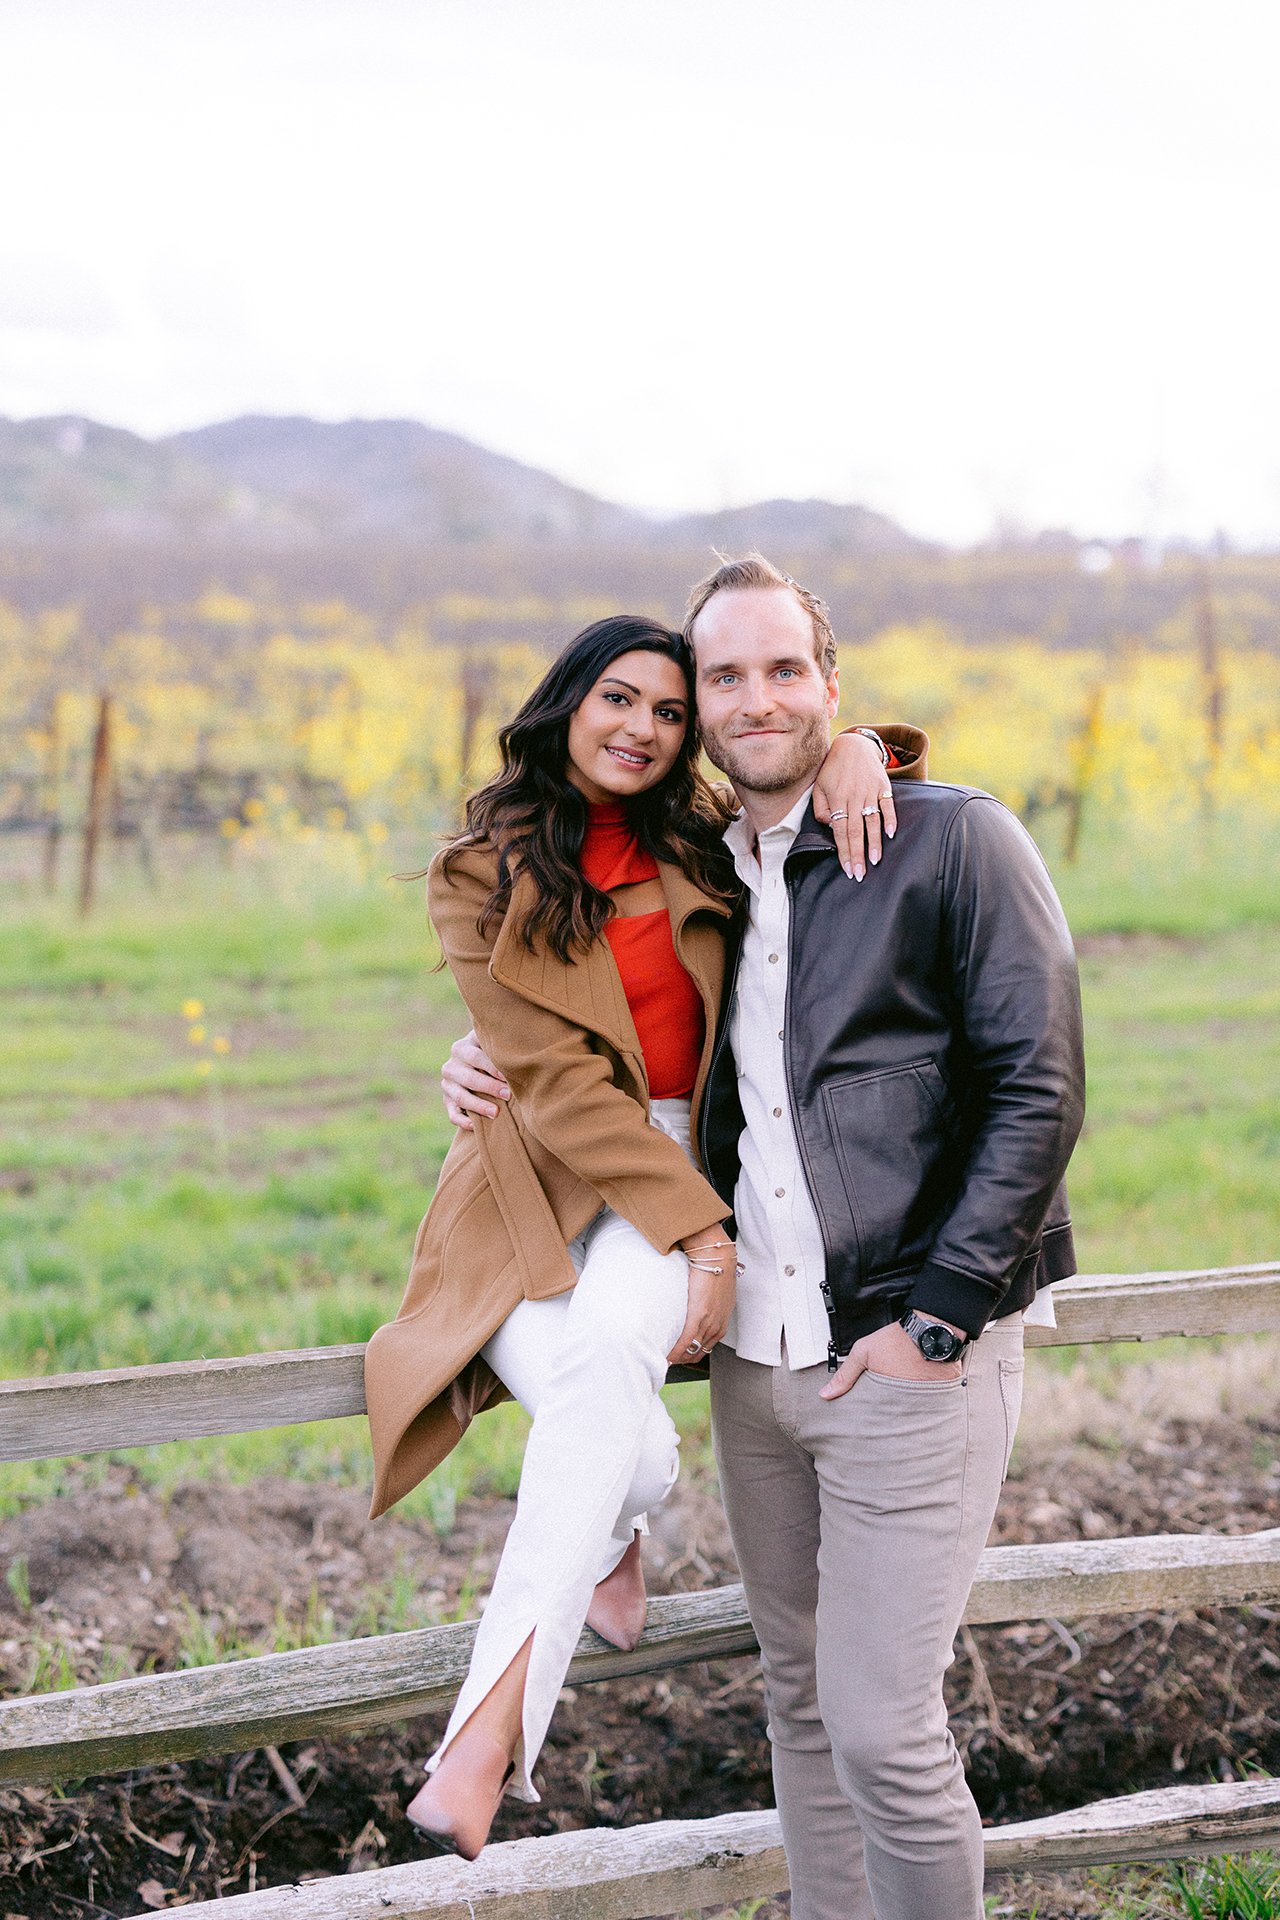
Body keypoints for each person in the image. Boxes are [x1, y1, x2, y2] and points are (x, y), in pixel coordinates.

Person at [442, 556, 1086, 1920]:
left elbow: (1041, 1091)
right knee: (796, 1706)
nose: (754, 698)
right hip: (756, 1364)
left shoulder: (953, 839)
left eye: (785, 669)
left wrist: (937, 1326)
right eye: (721, 676)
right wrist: (480, 1053)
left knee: (883, 1731)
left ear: (831, 686)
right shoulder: (705, 865)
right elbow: (628, 1042)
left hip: (908, 1346)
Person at [363, 609, 921, 1861]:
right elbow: (555, 1088)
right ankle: (622, 1520)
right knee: (597, 1403)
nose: (644, 728)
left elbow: (790, 750)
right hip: (535, 1169)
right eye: (619, 699)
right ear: (566, 701)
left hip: (676, 1157)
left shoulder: (700, 839)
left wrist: (864, 745)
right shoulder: (476, 870)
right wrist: (708, 1245)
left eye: (670, 713)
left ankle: (483, 1739)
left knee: (606, 1357)